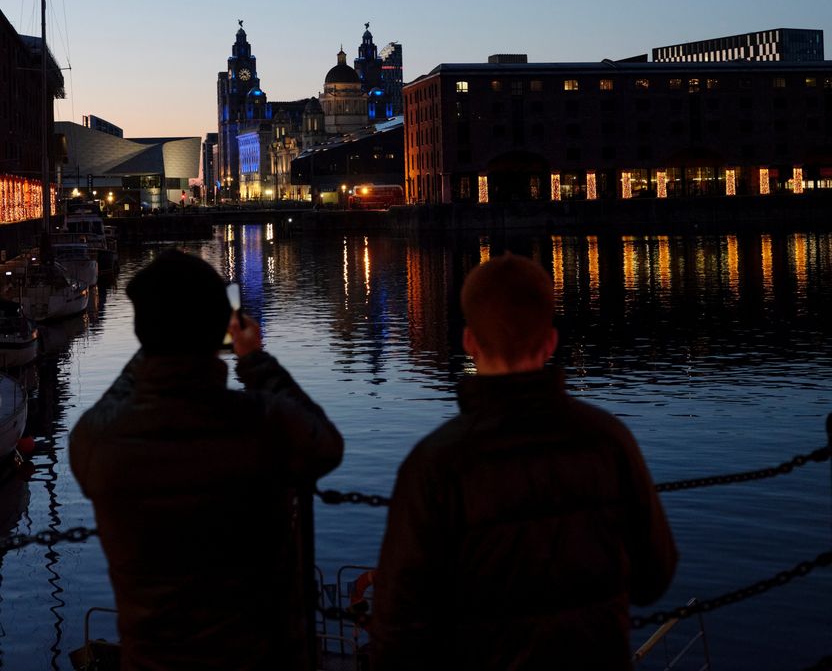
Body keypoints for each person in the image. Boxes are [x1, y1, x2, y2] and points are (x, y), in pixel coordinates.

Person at [371, 252, 677, 671]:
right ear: (550, 342)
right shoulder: (608, 441)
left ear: (470, 342)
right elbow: (654, 576)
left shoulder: (436, 464)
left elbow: (398, 624)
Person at [69, 248, 343, 671]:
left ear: (144, 333)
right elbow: (325, 444)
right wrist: (254, 359)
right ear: (220, 330)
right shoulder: (262, 423)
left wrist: (155, 347)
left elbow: (114, 402)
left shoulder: (98, 441)